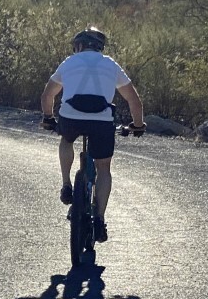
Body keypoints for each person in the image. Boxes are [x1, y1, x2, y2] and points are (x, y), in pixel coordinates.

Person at [39, 27, 145, 243]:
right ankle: (100, 219)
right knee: (103, 167)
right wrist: (138, 125)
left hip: (71, 116)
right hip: (102, 121)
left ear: (79, 46)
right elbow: (133, 100)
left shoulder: (69, 62)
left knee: (66, 140)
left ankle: (67, 184)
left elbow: (48, 94)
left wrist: (48, 117)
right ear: (99, 47)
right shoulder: (111, 64)